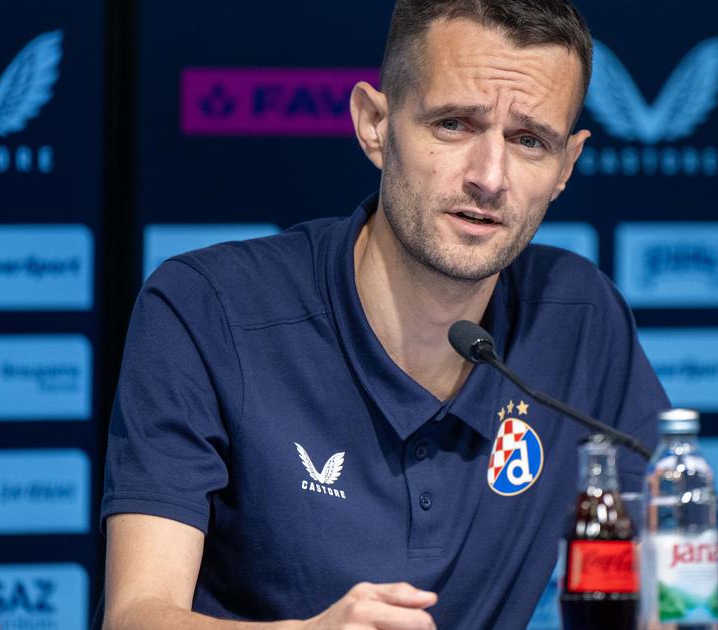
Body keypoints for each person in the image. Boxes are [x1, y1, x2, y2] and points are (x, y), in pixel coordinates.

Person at [99, 1, 669, 628]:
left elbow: (673, 577)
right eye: (454, 125)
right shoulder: (208, 307)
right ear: (375, 124)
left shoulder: (580, 317)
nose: (489, 177)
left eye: (529, 141)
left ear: (565, 166)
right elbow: (136, 614)